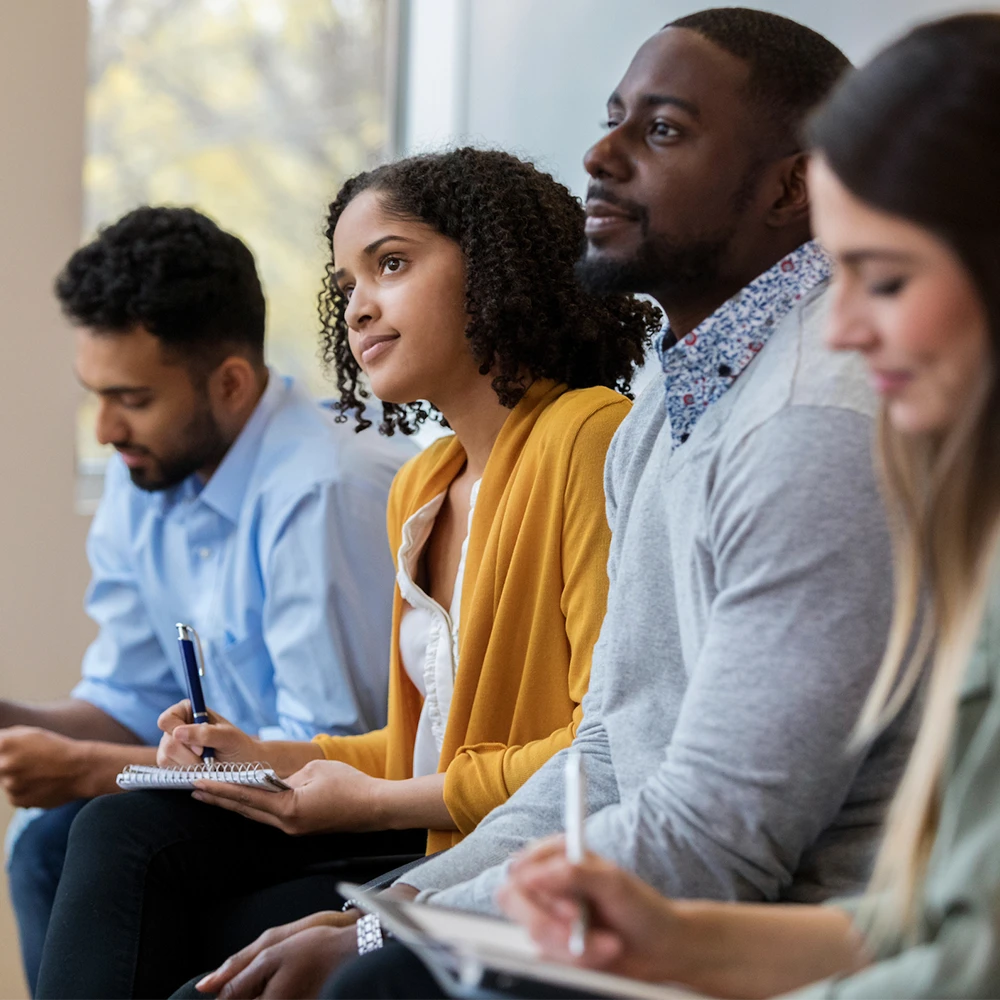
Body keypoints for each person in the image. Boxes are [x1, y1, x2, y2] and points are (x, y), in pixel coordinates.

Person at [174, 9, 923, 1000]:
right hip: (653, 887)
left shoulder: (804, 419)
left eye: (661, 129)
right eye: (614, 118)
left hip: (782, 933)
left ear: (792, 183)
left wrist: (388, 940)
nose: (599, 152)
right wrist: (380, 917)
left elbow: (713, 838)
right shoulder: (671, 403)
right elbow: (611, 749)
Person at [32, 147, 659, 1000]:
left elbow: (604, 749)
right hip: (430, 829)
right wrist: (265, 758)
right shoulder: (425, 483)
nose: (361, 307)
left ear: (496, 264)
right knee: (118, 830)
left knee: (193, 948)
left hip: (504, 842)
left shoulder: (588, 437)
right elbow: (414, 752)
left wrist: (366, 806)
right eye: (344, 287)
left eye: (391, 264)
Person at [0, 205, 411, 995]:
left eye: (132, 399)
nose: (106, 430)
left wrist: (87, 769)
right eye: (96, 395)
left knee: (98, 831)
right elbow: (127, 701)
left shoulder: (322, 490)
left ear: (230, 382)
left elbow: (335, 761)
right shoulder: (148, 470)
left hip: (359, 816)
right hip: (252, 800)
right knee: (42, 839)